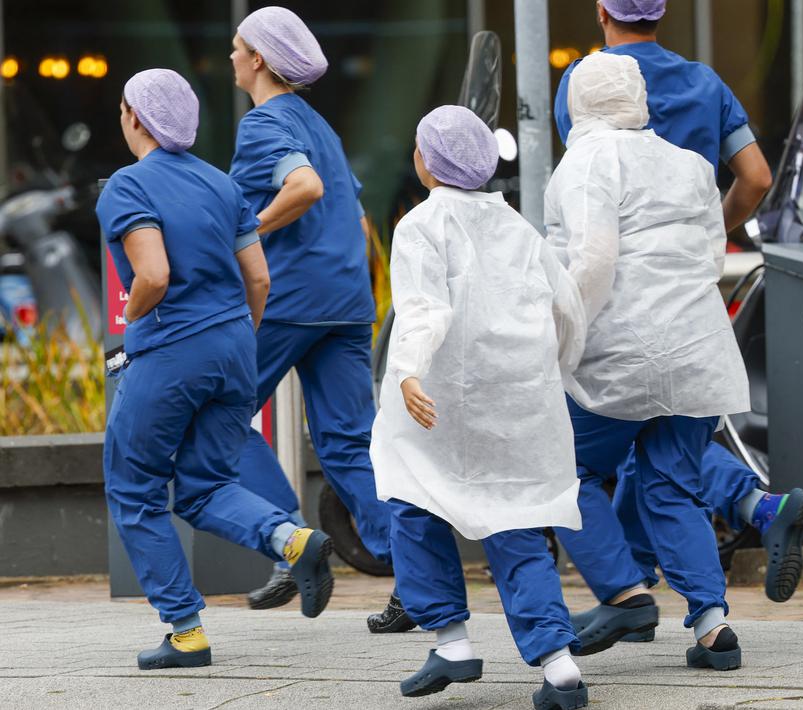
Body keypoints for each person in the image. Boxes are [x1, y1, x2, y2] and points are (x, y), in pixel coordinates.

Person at [555, 0, 803, 613]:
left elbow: (592, 215)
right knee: (668, 456)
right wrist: (704, 235)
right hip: (689, 303)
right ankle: (716, 587)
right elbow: (756, 177)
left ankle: (626, 593)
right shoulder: (705, 83)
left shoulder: (587, 81)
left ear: (601, 12)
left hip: (616, 309)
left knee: (583, 455)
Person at [97, 69, 334, 670]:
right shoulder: (221, 184)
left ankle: (186, 631)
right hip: (233, 351)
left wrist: (134, 322)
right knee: (207, 488)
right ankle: (291, 538)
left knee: (135, 489)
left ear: (134, 117)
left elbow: (152, 275)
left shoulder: (128, 185)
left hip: (170, 352)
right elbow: (260, 278)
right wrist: (236, 338)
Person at [370, 105, 589, 709]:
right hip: (518, 405)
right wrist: (553, 369)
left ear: (426, 161)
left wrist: (408, 370)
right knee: (517, 522)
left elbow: (422, 309)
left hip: (440, 404)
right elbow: (568, 309)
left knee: (413, 503)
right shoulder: (518, 228)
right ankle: (559, 664)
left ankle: (452, 641)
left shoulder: (421, 224)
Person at [546, 52, 751, 670]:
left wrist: (558, 338)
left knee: (563, 471)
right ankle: (713, 628)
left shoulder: (585, 162)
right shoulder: (691, 164)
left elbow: (592, 261)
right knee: (672, 486)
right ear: (639, 100)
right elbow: (711, 254)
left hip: (619, 352)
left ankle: (624, 594)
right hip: (697, 351)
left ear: (577, 103)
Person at [225, 6, 407, 633]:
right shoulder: (317, 124)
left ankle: (290, 543)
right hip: (347, 301)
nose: (230, 56)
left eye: (237, 47)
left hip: (289, 300)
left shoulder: (263, 122)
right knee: (349, 440)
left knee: (221, 411)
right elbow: (356, 217)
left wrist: (243, 232)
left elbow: (305, 188)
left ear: (258, 60)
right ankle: (417, 581)